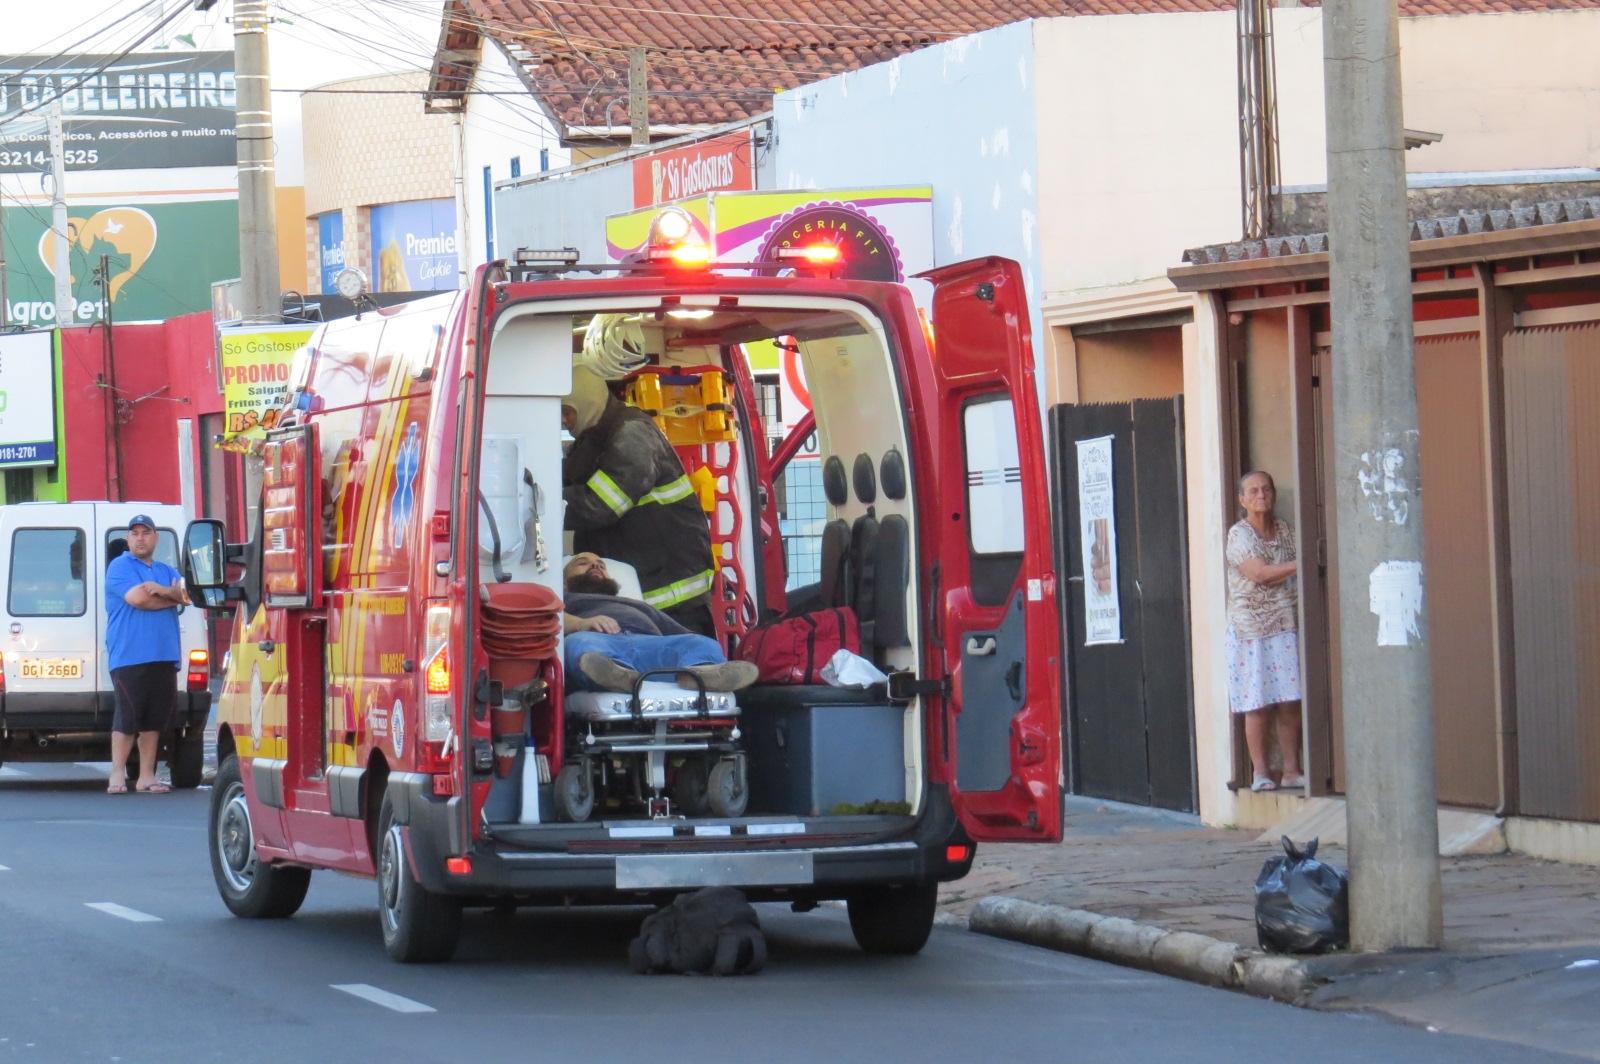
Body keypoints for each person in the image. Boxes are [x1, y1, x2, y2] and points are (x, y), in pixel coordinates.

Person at [561, 362, 717, 636]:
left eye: (566, 412)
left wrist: (538, 503)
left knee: (689, 666)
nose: (562, 420)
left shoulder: (633, 434)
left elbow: (599, 505)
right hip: (645, 586)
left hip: (674, 597)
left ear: (587, 403)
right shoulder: (595, 437)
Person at [562, 553, 755, 694]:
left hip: (651, 648)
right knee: (579, 644)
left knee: (703, 643)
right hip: (600, 642)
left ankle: (698, 673)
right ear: (563, 583)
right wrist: (582, 623)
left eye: (601, 565)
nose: (596, 566)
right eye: (582, 563)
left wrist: (696, 649)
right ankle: (617, 675)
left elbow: (684, 636)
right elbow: (551, 619)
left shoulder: (638, 605)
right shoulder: (563, 599)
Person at [1225, 471, 1305, 793]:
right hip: (1251, 631)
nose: (1261, 495)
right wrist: (1304, 562)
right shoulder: (1239, 534)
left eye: (1267, 489)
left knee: (1290, 701)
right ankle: (1260, 774)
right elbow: (1258, 573)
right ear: (1242, 500)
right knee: (1256, 703)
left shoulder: (1285, 530)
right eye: (1253, 491)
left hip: (1285, 625)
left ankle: (1291, 771)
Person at [103, 516, 188, 795]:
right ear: (128, 539)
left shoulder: (165, 570)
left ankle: (146, 776)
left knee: (154, 720)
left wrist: (165, 590)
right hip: (130, 655)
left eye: (146, 533)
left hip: (163, 653)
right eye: (135, 533)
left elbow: (187, 595)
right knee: (127, 717)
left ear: (156, 538)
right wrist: (171, 597)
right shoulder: (120, 566)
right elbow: (139, 600)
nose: (140, 538)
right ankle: (117, 774)